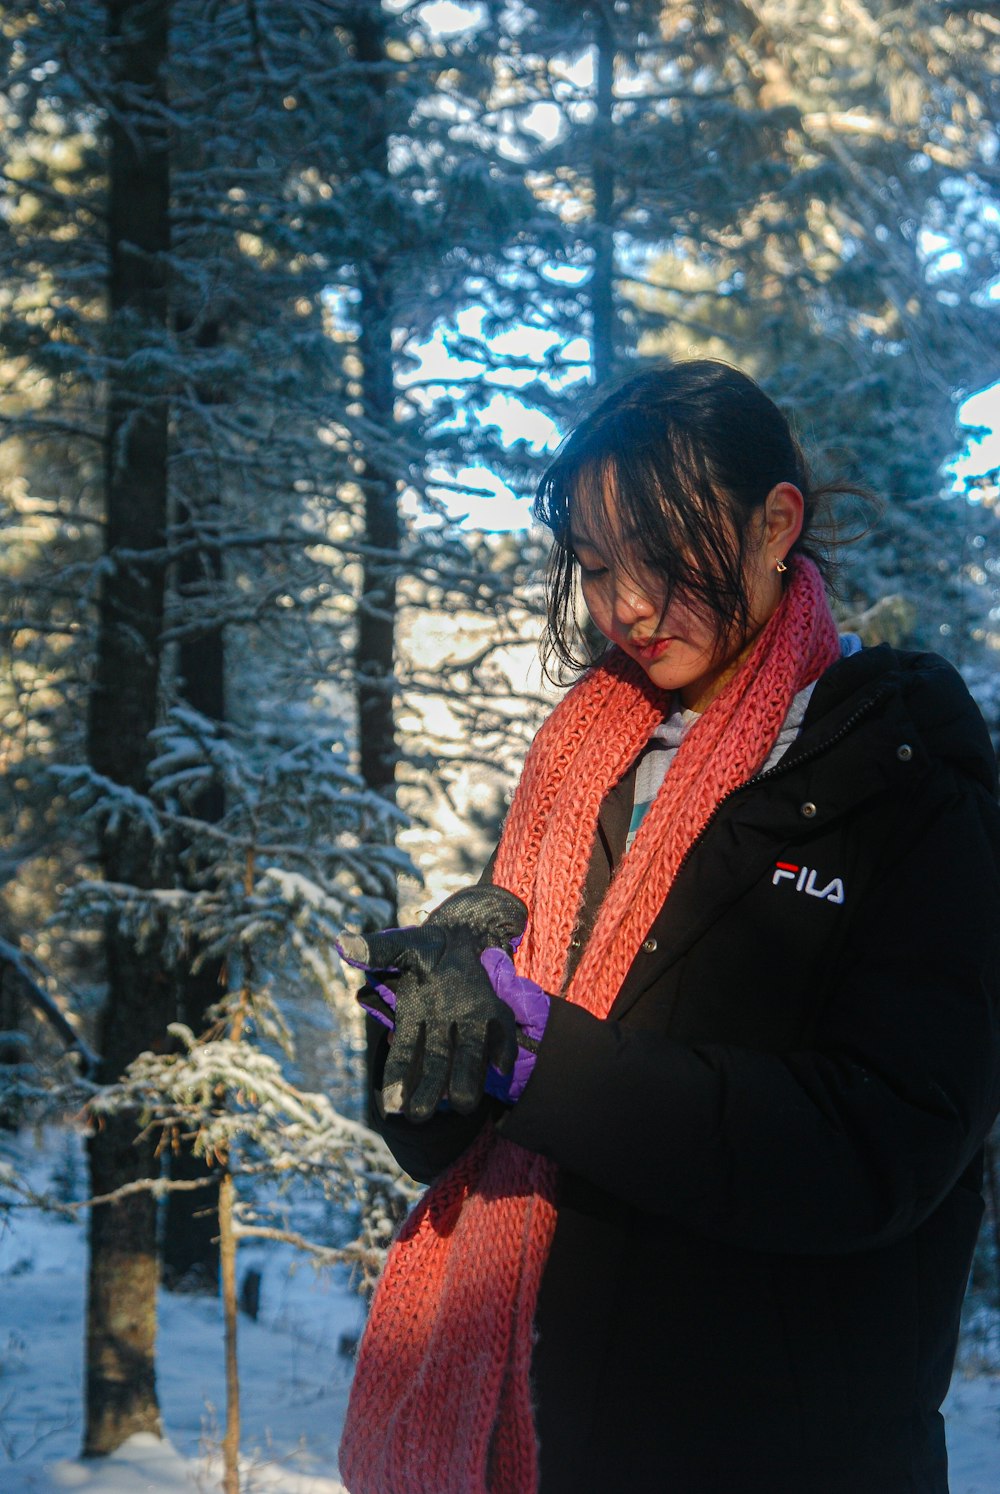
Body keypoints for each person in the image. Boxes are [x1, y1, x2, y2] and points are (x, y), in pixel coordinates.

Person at [337, 361, 1000, 1494]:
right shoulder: (578, 767)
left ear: (774, 523)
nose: (627, 606)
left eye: (662, 557)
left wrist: (541, 1052)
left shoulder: (902, 778)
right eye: (597, 567)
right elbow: (448, 1144)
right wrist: (427, 1031)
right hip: (550, 1445)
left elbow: (880, 1149)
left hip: (783, 1455)